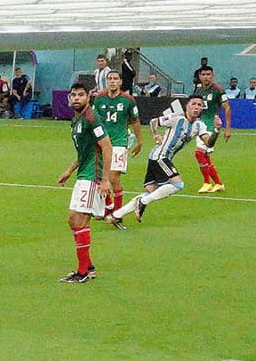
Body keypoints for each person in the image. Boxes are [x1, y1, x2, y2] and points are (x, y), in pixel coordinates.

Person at [109, 96, 212, 226]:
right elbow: (153, 121)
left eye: (199, 105)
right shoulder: (177, 118)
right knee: (178, 185)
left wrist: (217, 130)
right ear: (187, 106)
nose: (196, 107)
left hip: (159, 158)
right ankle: (143, 203)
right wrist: (155, 134)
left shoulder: (199, 125)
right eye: (193, 104)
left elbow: (209, 142)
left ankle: (116, 215)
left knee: (151, 191)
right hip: (160, 156)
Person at [56, 83, 115, 283]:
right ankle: (87, 267)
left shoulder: (92, 118)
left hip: (93, 176)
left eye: (80, 95)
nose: (76, 98)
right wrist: (69, 171)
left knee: (76, 218)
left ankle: (83, 272)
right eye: (73, 95)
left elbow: (107, 147)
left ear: (87, 98)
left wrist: (105, 179)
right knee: (75, 220)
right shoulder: (77, 120)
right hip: (84, 173)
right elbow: (85, 152)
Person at [94, 69, 142, 226]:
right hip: (102, 143)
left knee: (113, 178)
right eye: (110, 79)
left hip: (120, 143)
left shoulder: (128, 100)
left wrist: (139, 141)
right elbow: (94, 120)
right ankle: (108, 207)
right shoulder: (99, 98)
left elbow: (135, 120)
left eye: (115, 79)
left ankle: (118, 214)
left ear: (121, 82)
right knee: (100, 177)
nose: (112, 81)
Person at [191, 66, 230, 194]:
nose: (206, 76)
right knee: (205, 156)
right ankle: (218, 184)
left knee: (199, 153)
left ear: (212, 75)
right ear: (200, 76)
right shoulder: (199, 90)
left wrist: (227, 128)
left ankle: (207, 183)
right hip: (200, 126)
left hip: (211, 126)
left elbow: (227, 108)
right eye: (203, 74)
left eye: (208, 74)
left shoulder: (218, 90)